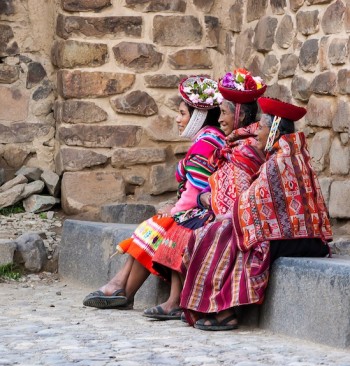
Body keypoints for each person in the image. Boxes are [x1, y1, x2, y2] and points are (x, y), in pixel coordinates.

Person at [180, 97, 333, 331]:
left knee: (236, 242)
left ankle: (225, 311)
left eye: (261, 128)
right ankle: (209, 305)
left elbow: (254, 203)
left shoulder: (280, 161)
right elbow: (259, 202)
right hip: (293, 234)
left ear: (273, 131)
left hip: (300, 239)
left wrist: (229, 217)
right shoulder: (285, 154)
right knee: (220, 231)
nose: (257, 133)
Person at [82, 76, 226, 313]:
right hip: (198, 208)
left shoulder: (205, 145)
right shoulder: (210, 140)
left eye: (182, 114)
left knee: (157, 227)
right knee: (154, 226)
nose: (178, 120)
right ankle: (120, 287)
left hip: (202, 212)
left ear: (198, 116)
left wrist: (173, 210)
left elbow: (198, 192)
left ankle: (122, 289)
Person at [144, 69, 267, 319]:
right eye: (219, 112)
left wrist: (204, 200)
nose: (220, 120)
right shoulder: (232, 142)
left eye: (224, 113)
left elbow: (236, 191)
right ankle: (176, 300)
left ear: (240, 114)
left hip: (233, 216)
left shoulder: (247, 145)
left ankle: (210, 307)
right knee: (181, 229)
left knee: (191, 231)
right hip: (219, 209)